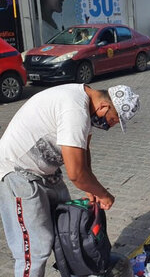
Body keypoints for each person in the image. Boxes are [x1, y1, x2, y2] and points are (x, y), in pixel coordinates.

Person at [0, 84, 140, 277]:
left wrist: (91, 187)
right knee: (34, 249)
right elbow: (76, 173)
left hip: (46, 172)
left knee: (66, 230)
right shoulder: (75, 109)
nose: (111, 126)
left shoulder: (85, 103)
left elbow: (84, 152)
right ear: (104, 108)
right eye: (114, 120)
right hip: (18, 173)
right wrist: (103, 194)